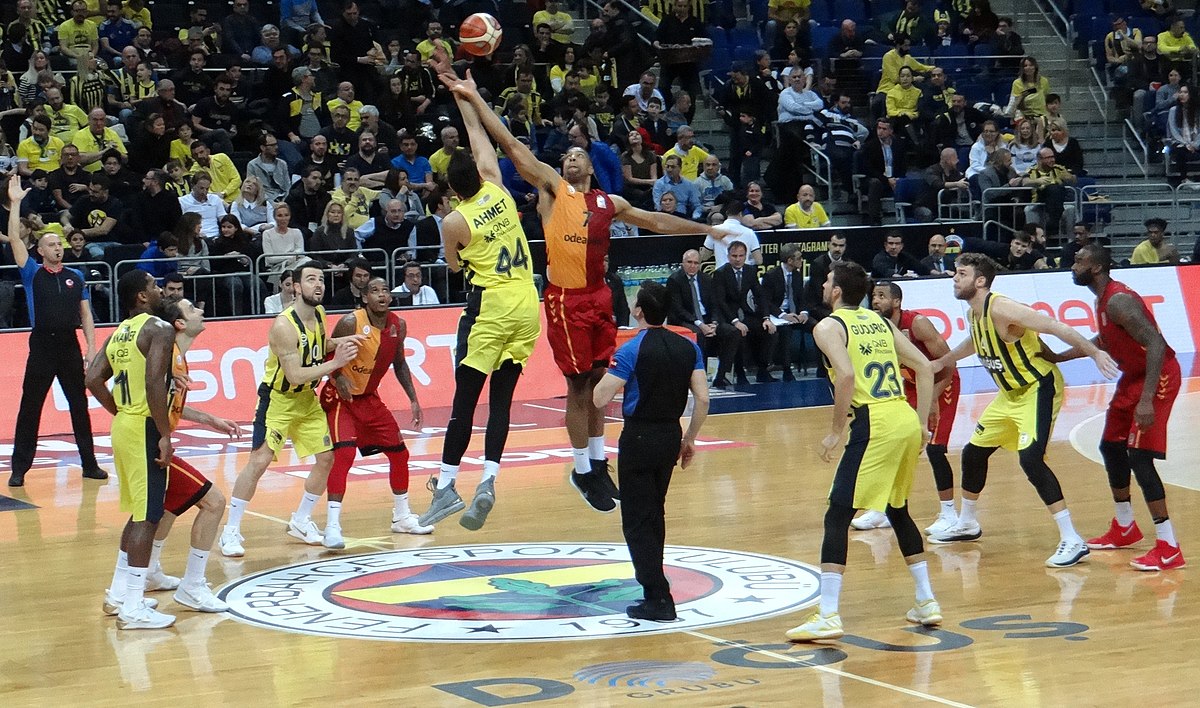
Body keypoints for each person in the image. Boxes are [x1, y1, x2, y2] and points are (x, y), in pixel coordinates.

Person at [438, 60, 737, 516]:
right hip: (565, 300)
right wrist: (473, 97)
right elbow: (510, 145)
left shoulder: (608, 201)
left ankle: (598, 463)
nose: (569, 157)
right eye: (565, 155)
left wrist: (704, 230)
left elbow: (654, 219)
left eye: (577, 154)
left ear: (593, 165)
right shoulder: (553, 190)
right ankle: (581, 468)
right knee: (579, 387)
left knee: (601, 383)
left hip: (599, 295)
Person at [411, 73, 544, 533]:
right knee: (503, 401)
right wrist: (467, 94)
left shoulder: (453, 220)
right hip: (528, 302)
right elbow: (479, 139)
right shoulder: (500, 190)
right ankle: (489, 480)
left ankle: (447, 487)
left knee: (464, 403)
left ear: (450, 189)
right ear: (479, 176)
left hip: (490, 307)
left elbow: (452, 266)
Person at [929, 253, 1118, 567]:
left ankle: (1072, 539)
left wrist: (1095, 353)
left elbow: (1056, 327)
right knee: (973, 453)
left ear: (980, 281)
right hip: (1009, 396)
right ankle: (968, 522)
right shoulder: (975, 313)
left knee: (1030, 459)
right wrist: (942, 361)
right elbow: (975, 342)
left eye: (961, 274)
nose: (954, 278)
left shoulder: (1002, 308)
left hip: (1037, 388)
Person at [786, 261, 942, 641]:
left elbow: (847, 375)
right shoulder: (882, 322)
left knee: (837, 514)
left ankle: (827, 614)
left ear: (836, 291)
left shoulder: (828, 326)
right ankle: (926, 600)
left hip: (874, 422)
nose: (823, 285)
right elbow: (923, 365)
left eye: (826, 281)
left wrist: (835, 432)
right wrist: (921, 423)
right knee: (897, 508)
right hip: (902, 417)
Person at [1043, 246, 1183, 570]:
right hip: (1133, 378)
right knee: (1110, 446)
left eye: (1079, 261)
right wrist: (1060, 356)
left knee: (1140, 458)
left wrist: (1147, 398)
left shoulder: (1119, 300)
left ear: (1097, 267)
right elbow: (1106, 340)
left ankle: (1169, 546)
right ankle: (1125, 527)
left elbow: (1157, 345)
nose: (1073, 265)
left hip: (1156, 377)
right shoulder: (1102, 299)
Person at [98, 296, 239, 618]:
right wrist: (158, 432)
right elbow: (152, 394)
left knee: (161, 509)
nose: (201, 310)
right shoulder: (163, 345)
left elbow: (165, 401)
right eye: (192, 309)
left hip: (132, 430)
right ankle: (191, 586)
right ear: (178, 323)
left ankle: (123, 590)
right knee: (212, 502)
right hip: (145, 435)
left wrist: (209, 419)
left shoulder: (173, 353)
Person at [218, 261, 362, 557]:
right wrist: (336, 363)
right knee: (260, 461)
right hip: (279, 400)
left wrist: (342, 341)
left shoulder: (320, 314)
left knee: (326, 459)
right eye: (311, 279)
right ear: (296, 286)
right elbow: (295, 374)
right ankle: (230, 530)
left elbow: (319, 346)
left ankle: (301, 520)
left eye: (321, 279)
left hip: (306, 399)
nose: (318, 285)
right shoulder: (283, 325)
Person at [592, 281, 709, 621]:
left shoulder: (631, 349)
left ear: (638, 311)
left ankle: (658, 597)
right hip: (671, 434)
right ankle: (655, 587)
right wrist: (690, 438)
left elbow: (600, 397)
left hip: (640, 438)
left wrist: (604, 375)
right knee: (654, 513)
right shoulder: (687, 346)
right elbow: (702, 398)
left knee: (638, 521)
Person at [3, 175, 107, 487]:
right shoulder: (32, 272)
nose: (59, 248)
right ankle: (19, 468)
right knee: (30, 407)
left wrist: (91, 347)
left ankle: (89, 464)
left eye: (61, 243)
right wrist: (16, 202)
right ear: (40, 250)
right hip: (42, 346)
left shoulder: (76, 275)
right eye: (52, 244)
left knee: (79, 404)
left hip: (69, 345)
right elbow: (16, 239)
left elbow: (85, 315)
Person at [319, 277, 432, 546]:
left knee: (400, 454)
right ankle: (332, 527)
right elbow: (326, 353)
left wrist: (414, 399)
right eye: (374, 291)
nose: (381, 295)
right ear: (364, 298)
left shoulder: (398, 325)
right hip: (340, 398)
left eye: (385, 291)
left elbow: (400, 363)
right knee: (343, 456)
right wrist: (337, 377)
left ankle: (402, 517)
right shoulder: (351, 322)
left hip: (369, 399)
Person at [859, 281, 961, 536]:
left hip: (941, 384)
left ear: (897, 302)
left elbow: (948, 365)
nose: (876, 301)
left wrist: (933, 398)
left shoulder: (917, 323)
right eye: (873, 296)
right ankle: (882, 508)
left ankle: (950, 513)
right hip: (911, 386)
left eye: (882, 296)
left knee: (935, 450)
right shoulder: (875, 325)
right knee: (896, 445)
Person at [665, 248, 739, 387]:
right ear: (683, 263)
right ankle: (700, 377)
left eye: (696, 263)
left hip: (707, 319)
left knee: (732, 332)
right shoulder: (674, 280)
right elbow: (678, 309)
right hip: (686, 320)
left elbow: (715, 304)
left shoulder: (706, 279)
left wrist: (714, 323)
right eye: (689, 262)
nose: (693, 266)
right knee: (699, 335)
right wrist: (700, 324)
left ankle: (720, 375)